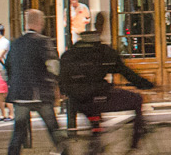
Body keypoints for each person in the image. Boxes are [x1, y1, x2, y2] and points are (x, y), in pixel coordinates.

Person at [58, 12, 154, 147]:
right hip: (98, 97)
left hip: (77, 100)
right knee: (137, 99)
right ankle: (134, 145)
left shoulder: (72, 52)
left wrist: (66, 92)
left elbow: (62, 76)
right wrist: (145, 84)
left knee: (95, 127)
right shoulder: (103, 51)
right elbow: (125, 71)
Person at [4, 9, 64, 155]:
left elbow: (7, 69)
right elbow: (53, 66)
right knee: (55, 132)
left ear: (26, 23)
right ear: (40, 23)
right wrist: (56, 83)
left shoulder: (15, 44)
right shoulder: (43, 42)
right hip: (39, 94)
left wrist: (13, 85)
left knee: (17, 137)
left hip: (19, 96)